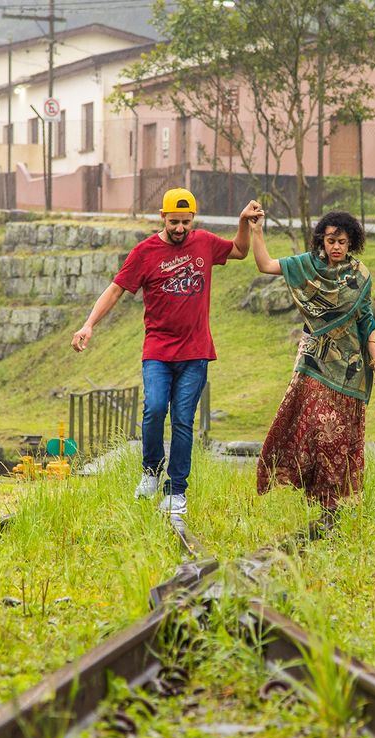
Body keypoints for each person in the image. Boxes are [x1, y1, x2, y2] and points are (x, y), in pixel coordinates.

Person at [72, 188, 263, 516]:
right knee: (155, 409)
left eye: (186, 223)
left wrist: (243, 222)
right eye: (174, 222)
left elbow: (240, 251)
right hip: (158, 351)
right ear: (162, 217)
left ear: (193, 220)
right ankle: (150, 471)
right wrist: (89, 324)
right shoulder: (145, 252)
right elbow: (116, 289)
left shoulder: (203, 242)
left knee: (183, 421)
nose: (180, 229)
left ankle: (177, 491)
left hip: (195, 351)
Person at [249, 210, 375, 526]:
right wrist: (257, 231)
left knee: (336, 434)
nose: (336, 246)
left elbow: (366, 319)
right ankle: (320, 497)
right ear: (321, 241)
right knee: (317, 428)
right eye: (330, 240)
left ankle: (329, 504)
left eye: (342, 241)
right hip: (314, 362)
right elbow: (266, 265)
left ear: (351, 243)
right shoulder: (306, 266)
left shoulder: (359, 276)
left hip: (349, 367)